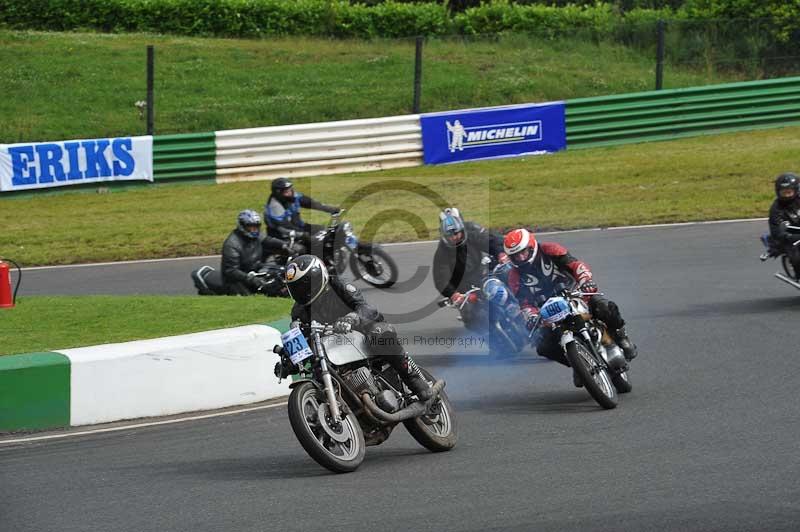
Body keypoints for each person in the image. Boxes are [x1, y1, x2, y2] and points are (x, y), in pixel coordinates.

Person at [283, 254, 432, 400]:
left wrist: (351, 318)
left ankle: (414, 380)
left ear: (317, 278)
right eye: (295, 288)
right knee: (317, 368)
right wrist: (288, 361)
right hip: (332, 347)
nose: (300, 292)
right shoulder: (298, 311)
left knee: (379, 334)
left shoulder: (338, 284)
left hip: (360, 331)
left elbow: (366, 308)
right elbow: (301, 340)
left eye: (304, 286)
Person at [501, 228, 637, 386]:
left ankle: (622, 337)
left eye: (523, 252)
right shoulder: (514, 276)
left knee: (604, 307)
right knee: (543, 346)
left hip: (575, 294)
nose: (520, 257)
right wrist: (531, 316)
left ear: (531, 247)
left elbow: (576, 265)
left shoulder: (550, 249)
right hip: (549, 311)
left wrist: (585, 280)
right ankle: (579, 364)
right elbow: (524, 303)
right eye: (515, 255)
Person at [432, 208, 506, 330]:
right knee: (470, 317)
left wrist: (501, 253)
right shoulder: (442, 251)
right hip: (464, 286)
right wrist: (453, 294)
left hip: (483, 271)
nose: (454, 237)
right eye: (450, 235)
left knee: (506, 274)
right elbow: (441, 278)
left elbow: (492, 241)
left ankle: (523, 306)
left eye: (456, 233)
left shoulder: (472, 231)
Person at [221, 209, 288, 295]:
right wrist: (250, 279)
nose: (254, 229)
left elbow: (268, 240)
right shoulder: (232, 244)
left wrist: (284, 245)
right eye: (251, 226)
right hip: (236, 280)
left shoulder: (256, 236)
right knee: (250, 299)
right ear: (242, 226)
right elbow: (231, 270)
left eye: (256, 226)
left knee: (278, 272)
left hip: (254, 270)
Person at [264, 178, 340, 243]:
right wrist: (302, 234)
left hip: (298, 226)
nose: (290, 193)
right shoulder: (275, 206)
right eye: (287, 192)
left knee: (323, 231)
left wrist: (329, 209)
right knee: (306, 246)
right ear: (278, 193)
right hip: (283, 235)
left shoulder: (292, 196)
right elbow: (285, 226)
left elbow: (309, 202)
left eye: (290, 190)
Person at [768, 172, 800, 278]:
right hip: (791, 235)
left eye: (789, 192)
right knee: (796, 256)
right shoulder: (776, 208)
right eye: (784, 192)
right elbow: (776, 229)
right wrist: (787, 235)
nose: (786, 195)